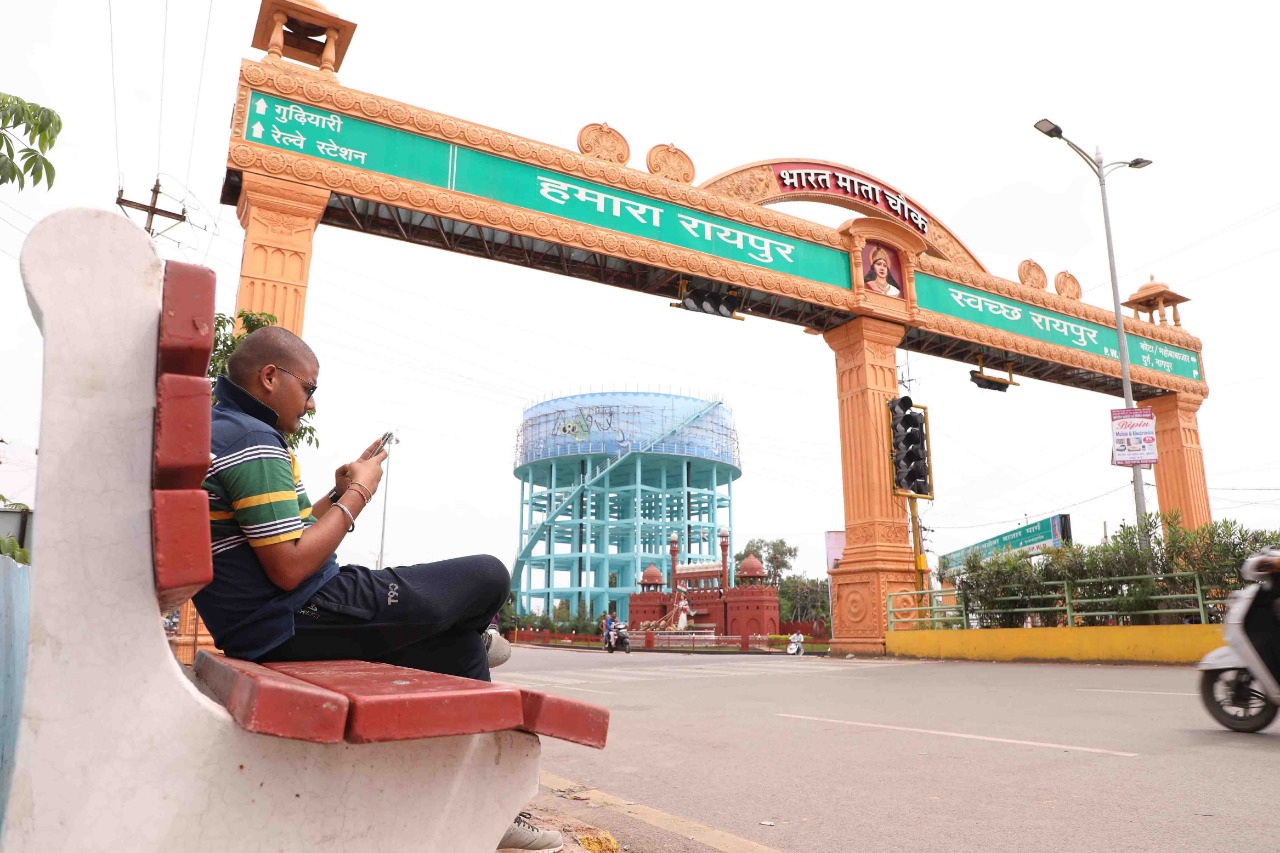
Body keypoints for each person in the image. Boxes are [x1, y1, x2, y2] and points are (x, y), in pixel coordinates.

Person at [195, 327, 558, 853]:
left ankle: (490, 807)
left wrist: (336, 493)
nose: (312, 404)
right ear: (270, 377)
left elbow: (285, 537)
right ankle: (475, 645)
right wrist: (361, 494)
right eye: (309, 389)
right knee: (488, 576)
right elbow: (290, 567)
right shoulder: (252, 441)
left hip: (277, 618)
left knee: (457, 651)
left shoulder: (226, 429)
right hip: (301, 612)